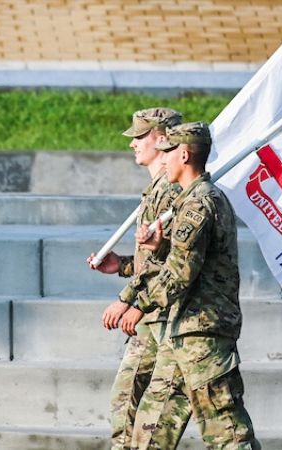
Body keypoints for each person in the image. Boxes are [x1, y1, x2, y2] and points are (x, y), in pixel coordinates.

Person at [132, 122, 259, 450]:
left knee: (227, 434)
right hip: (182, 334)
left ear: (184, 154)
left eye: (168, 153)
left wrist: (137, 305)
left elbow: (179, 274)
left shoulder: (200, 204)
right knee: (149, 430)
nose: (163, 160)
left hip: (203, 337)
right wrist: (158, 247)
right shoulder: (192, 201)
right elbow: (185, 261)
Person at [87, 107, 186, 450]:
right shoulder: (158, 190)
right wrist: (124, 265)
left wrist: (130, 301)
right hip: (154, 316)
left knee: (140, 415)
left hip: (165, 318)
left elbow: (177, 264)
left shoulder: (172, 192)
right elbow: (157, 258)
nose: (133, 143)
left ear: (162, 140)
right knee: (128, 408)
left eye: (140, 136)